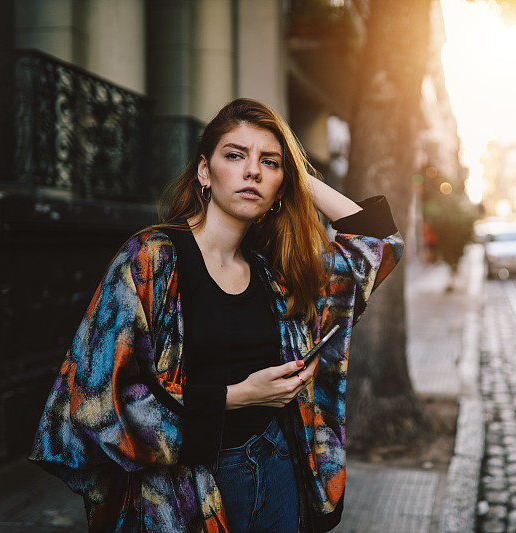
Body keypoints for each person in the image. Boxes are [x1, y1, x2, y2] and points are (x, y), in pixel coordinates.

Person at [27, 98, 404, 532]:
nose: (253, 172)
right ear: (204, 172)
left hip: (278, 464)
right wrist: (239, 394)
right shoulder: (151, 261)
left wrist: (296, 175)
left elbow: (380, 242)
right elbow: (93, 402)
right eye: (235, 156)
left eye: (269, 162)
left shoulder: (273, 273)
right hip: (187, 487)